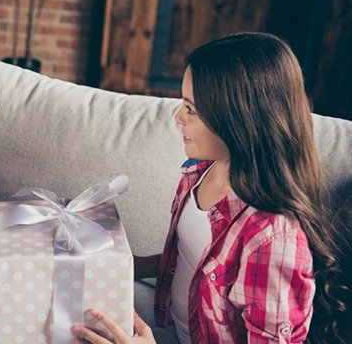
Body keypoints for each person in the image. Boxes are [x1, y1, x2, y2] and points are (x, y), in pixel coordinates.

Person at [71, 32, 349, 343]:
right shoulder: (200, 171)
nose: (178, 117)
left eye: (191, 108)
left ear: (239, 117)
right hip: (175, 329)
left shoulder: (272, 237)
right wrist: (128, 265)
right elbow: (193, 259)